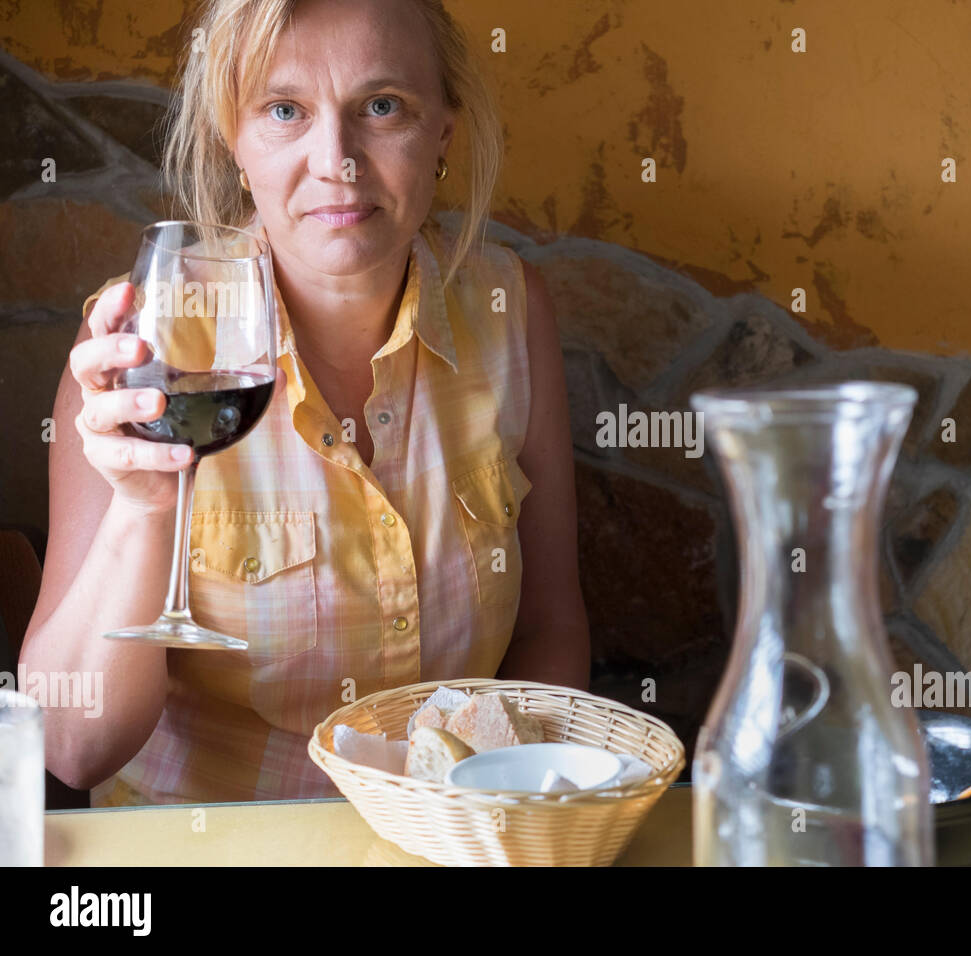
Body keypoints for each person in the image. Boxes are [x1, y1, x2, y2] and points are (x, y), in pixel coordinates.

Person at [20, 0, 589, 806]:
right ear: (235, 139)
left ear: (442, 135)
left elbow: (549, 627)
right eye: (285, 110)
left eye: (382, 106)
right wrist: (144, 512)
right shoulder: (146, 342)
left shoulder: (508, 308)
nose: (338, 161)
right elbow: (73, 748)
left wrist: (498, 809)